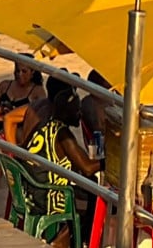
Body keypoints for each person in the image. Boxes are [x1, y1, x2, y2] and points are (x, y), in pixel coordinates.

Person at [25, 90, 102, 248]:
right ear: (67, 113)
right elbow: (87, 168)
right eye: (76, 110)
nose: (79, 115)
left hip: (30, 189)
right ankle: (78, 240)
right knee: (94, 193)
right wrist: (110, 162)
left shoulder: (45, 126)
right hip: (46, 195)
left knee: (88, 186)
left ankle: (74, 237)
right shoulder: (63, 134)